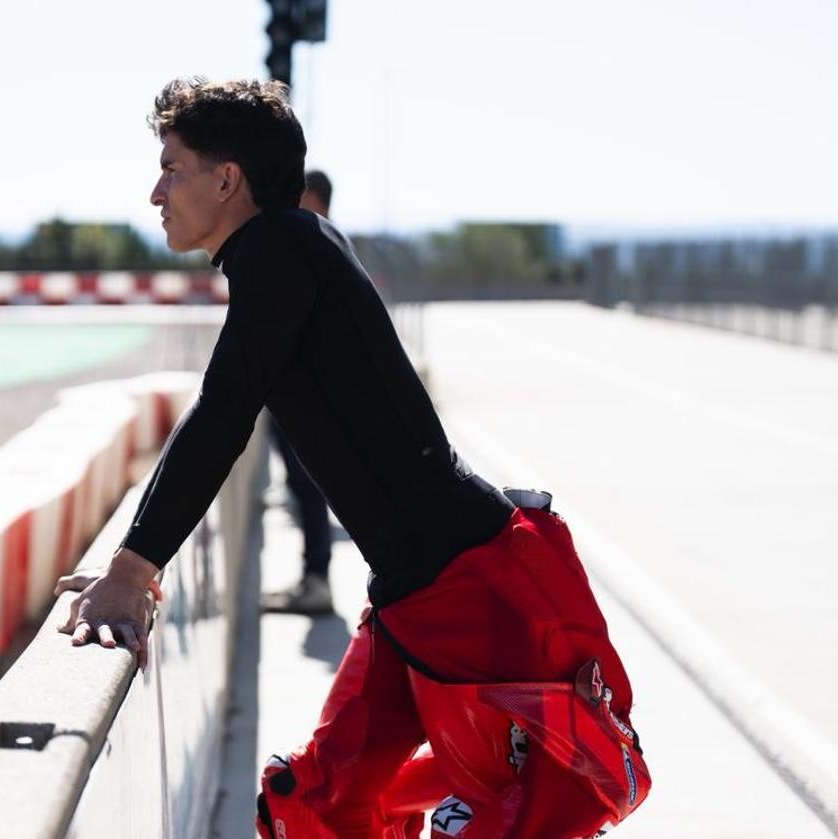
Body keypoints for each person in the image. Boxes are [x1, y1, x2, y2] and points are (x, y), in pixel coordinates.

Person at [57, 78, 650, 838]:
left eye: (172, 167)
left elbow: (224, 410)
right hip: (415, 593)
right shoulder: (298, 243)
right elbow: (230, 407)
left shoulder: (278, 247)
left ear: (226, 178)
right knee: (318, 806)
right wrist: (131, 562)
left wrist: (134, 568)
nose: (155, 191)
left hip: (472, 596)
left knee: (503, 821)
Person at [261, 168, 337, 615]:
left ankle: (316, 581)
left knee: (310, 491)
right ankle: (314, 579)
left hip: (310, 399)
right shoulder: (319, 245)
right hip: (298, 395)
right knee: (304, 488)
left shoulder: (316, 248)